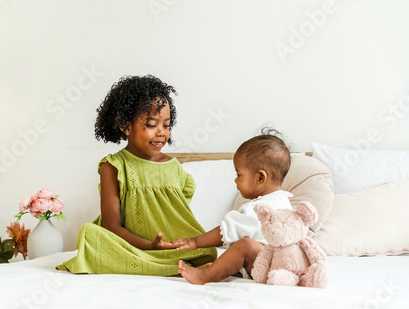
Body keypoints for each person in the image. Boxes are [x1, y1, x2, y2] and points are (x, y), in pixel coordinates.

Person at [56, 75, 217, 275]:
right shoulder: (113, 167)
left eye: (166, 125)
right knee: (88, 234)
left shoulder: (174, 167)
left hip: (170, 249)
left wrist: (170, 244)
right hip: (132, 248)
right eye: (152, 124)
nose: (161, 132)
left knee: (206, 247)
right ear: (126, 125)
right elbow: (112, 226)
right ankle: (174, 270)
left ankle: (174, 264)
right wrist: (149, 245)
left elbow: (177, 219)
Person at [172, 129, 293, 284]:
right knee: (243, 247)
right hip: (286, 268)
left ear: (260, 177)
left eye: (239, 175)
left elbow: (228, 229)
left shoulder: (259, 208)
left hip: (271, 266)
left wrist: (195, 242)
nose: (235, 181)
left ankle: (205, 276)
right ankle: (218, 268)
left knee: (245, 245)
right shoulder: (285, 201)